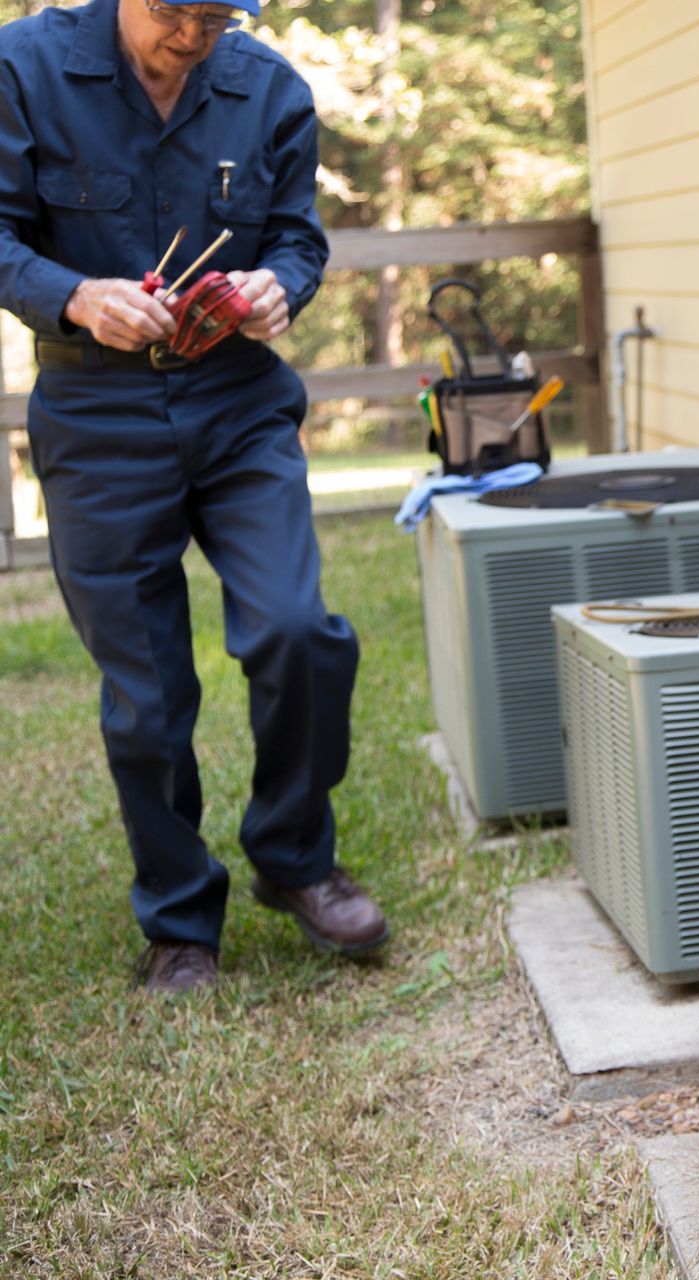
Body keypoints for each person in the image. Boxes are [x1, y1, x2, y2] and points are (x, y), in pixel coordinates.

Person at [0, 0, 387, 993]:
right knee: (147, 690)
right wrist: (74, 294)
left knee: (298, 629)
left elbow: (300, 240)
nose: (195, 36)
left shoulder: (270, 89)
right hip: (97, 409)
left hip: (237, 401)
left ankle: (295, 856)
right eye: (179, 12)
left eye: (219, 16)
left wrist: (277, 288)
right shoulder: (23, 66)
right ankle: (179, 920)